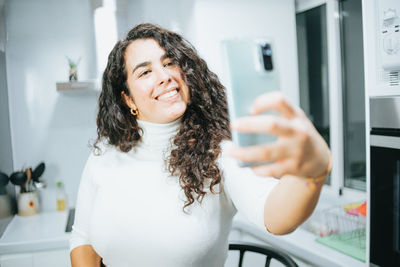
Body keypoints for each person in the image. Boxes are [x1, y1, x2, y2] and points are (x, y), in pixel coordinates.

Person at [70, 23, 331, 267]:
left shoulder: (218, 152)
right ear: (128, 99)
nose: (165, 76)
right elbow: (82, 237)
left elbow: (275, 215)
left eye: (170, 63)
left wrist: (312, 173)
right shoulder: (105, 152)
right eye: (146, 71)